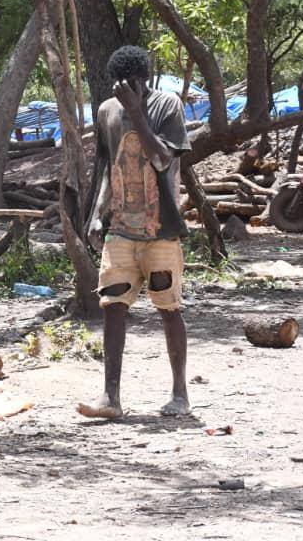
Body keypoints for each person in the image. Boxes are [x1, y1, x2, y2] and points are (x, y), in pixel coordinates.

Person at [79, 45, 191, 420]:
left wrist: (138, 114)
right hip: (121, 229)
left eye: (135, 83)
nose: (128, 89)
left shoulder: (166, 107)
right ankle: (111, 398)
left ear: (146, 80)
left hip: (161, 229)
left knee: (168, 308)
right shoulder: (106, 112)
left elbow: (162, 159)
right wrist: (97, 214)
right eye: (121, 84)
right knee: (112, 306)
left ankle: (180, 394)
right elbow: (107, 167)